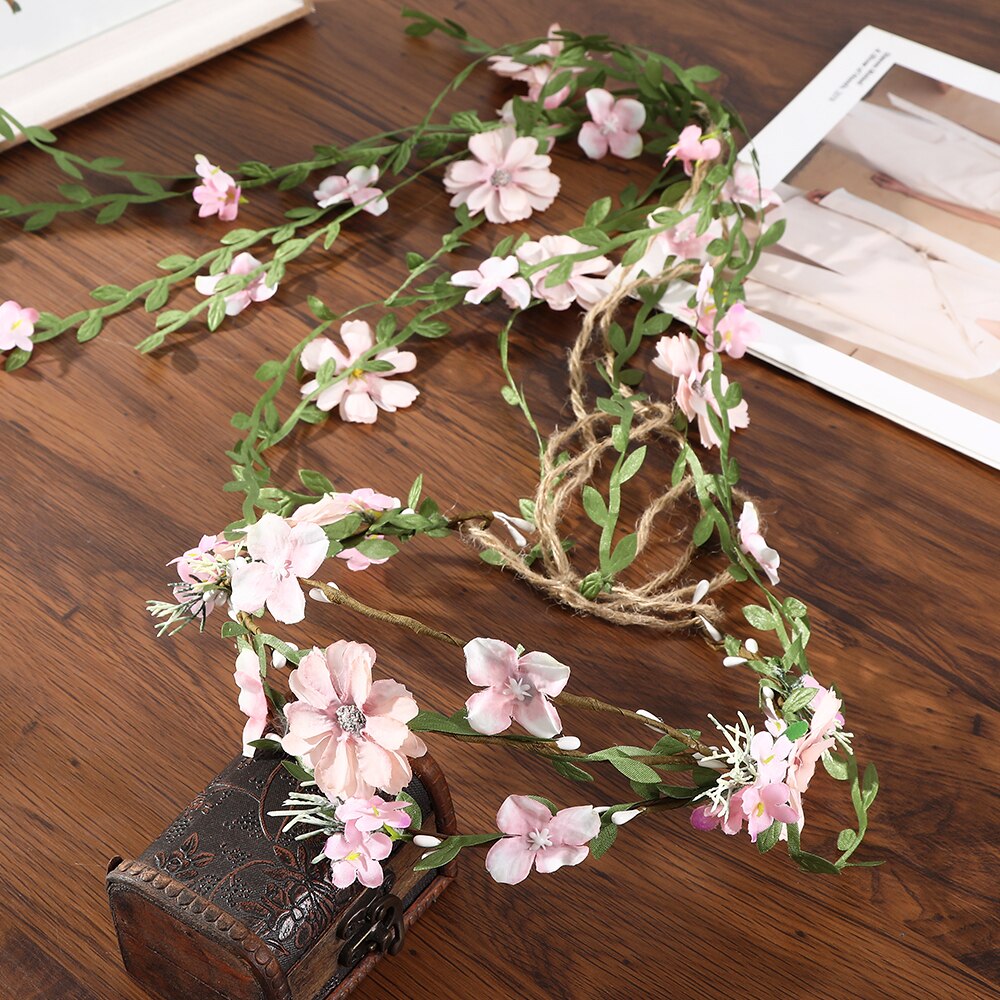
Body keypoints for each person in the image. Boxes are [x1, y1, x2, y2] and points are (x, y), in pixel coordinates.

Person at [744, 187, 1000, 379]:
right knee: (745, 189)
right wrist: (845, 204)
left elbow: (864, 334)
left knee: (722, 245)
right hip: (852, 240)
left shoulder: (978, 363)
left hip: (826, 291)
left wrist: (754, 293)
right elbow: (926, 239)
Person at [825, 92, 1000, 223]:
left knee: (863, 141)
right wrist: (968, 132)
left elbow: (980, 217)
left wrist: (909, 192)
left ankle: (816, 117)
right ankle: (827, 93)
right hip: (974, 150)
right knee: (883, 118)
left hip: (953, 183)